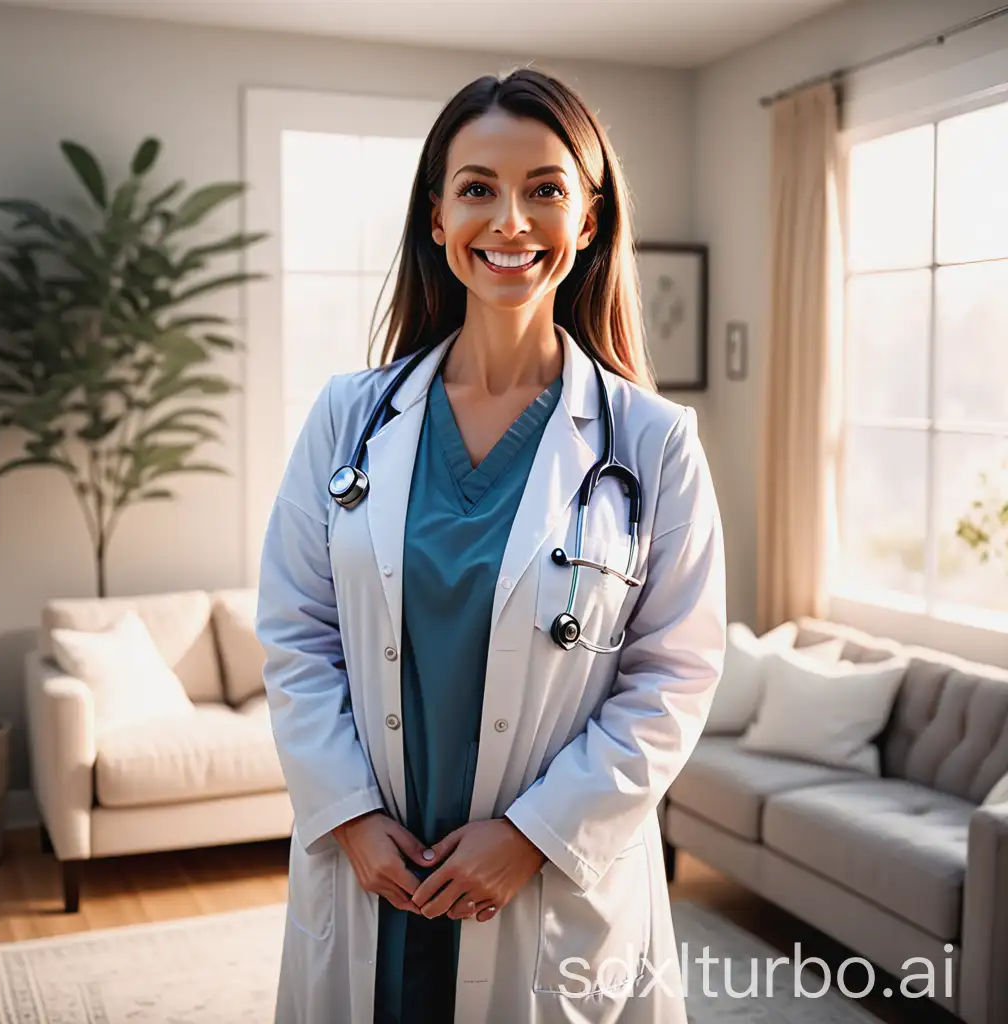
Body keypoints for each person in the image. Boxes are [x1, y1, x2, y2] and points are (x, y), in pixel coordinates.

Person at [255, 67, 726, 1024]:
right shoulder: (350, 417)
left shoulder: (653, 442)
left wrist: (532, 836)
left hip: (546, 883)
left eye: (545, 189)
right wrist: (345, 812)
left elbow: (673, 679)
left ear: (588, 221)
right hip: (373, 857)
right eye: (478, 188)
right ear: (437, 218)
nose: (510, 221)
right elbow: (295, 631)